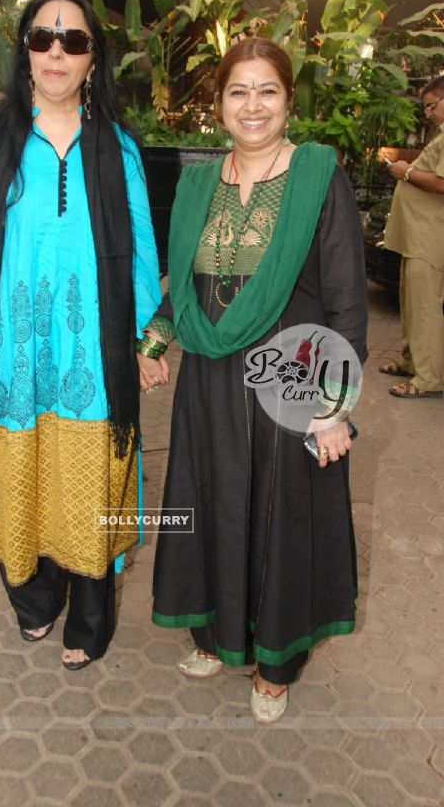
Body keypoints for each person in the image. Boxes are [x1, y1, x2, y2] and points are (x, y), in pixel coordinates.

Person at [0, 0, 161, 670]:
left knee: (89, 482)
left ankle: (91, 611)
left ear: (93, 59)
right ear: (25, 47)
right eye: (44, 37)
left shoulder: (116, 146)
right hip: (12, 355)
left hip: (93, 351)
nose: (58, 51)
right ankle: (34, 596)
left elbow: (143, 251)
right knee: (16, 469)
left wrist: (150, 337)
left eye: (75, 41)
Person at [137, 38, 367, 723]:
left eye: (267, 90)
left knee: (282, 515)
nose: (253, 105)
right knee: (209, 502)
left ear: (289, 100)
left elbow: (348, 299)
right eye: (239, 91)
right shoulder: (199, 183)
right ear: (219, 105)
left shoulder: (318, 175)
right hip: (208, 376)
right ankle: (213, 633)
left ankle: (275, 660)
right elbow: (180, 279)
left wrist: (333, 410)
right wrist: (153, 344)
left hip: (291, 377)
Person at [380, 75, 444, 399]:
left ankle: (428, 378)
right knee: (410, 302)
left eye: (432, 106)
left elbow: (442, 182)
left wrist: (405, 171)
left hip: (431, 237)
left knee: (425, 308)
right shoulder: (440, 135)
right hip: (417, 235)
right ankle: (409, 361)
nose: (428, 113)